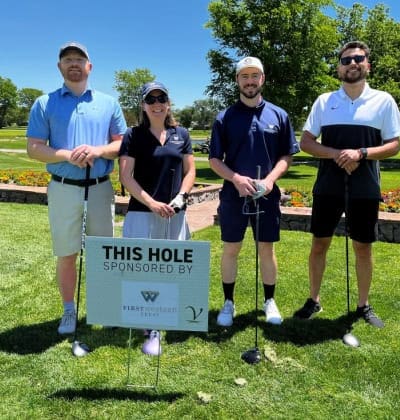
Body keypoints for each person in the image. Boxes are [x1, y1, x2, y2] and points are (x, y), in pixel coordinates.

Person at [293, 41, 400, 328]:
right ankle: (314, 299)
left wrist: (362, 153)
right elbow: (306, 142)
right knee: (319, 244)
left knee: (363, 247)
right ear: (338, 67)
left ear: (368, 64)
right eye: (346, 60)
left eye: (359, 58)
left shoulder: (383, 100)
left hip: (365, 187)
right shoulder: (323, 101)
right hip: (327, 186)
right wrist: (337, 155)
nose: (352, 63)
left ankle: (363, 305)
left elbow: (394, 144)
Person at [26, 42, 127, 334]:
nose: (74, 64)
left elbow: (121, 144)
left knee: (102, 251)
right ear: (60, 67)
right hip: (63, 187)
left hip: (99, 187)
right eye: (67, 59)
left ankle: (103, 307)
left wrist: (96, 151)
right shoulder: (45, 103)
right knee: (67, 253)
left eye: (79, 59)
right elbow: (34, 148)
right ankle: (69, 311)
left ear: (89, 67)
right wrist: (67, 155)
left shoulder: (109, 102)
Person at [209, 57, 300, 327]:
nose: (249, 81)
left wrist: (271, 180)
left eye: (254, 76)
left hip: (266, 194)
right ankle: (228, 302)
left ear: (262, 79)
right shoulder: (224, 117)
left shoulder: (279, 115)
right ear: (237, 80)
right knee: (231, 249)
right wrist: (235, 178)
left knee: (266, 249)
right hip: (233, 195)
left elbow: (286, 155)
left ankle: (269, 301)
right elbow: (215, 159)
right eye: (244, 76)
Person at [119, 81, 195, 354]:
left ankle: (160, 317)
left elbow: (190, 172)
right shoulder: (132, 135)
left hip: (174, 212)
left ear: (168, 102)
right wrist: (152, 203)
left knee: (169, 267)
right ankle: (148, 325)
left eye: (161, 98)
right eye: (150, 100)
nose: (157, 103)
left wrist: (180, 198)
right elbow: (126, 177)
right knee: (142, 268)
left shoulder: (181, 134)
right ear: (143, 105)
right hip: (142, 212)